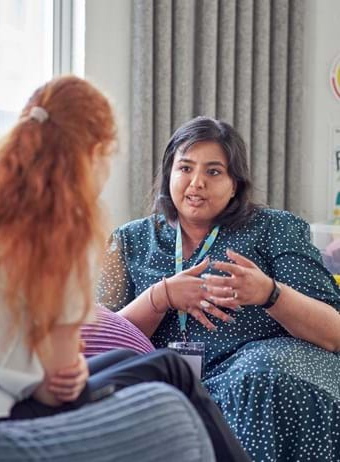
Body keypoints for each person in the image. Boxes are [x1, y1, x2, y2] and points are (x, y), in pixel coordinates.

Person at [0, 78, 249, 461]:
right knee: (172, 370)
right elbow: (56, 389)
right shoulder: (59, 238)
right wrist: (64, 370)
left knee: (137, 362)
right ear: (95, 154)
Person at [97, 116, 340, 462]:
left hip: (260, 383)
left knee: (258, 378)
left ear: (235, 184)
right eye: (185, 168)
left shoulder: (275, 229)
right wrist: (159, 297)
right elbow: (101, 341)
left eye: (213, 172)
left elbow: (334, 332)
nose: (196, 183)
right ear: (169, 173)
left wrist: (270, 294)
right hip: (170, 383)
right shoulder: (129, 240)